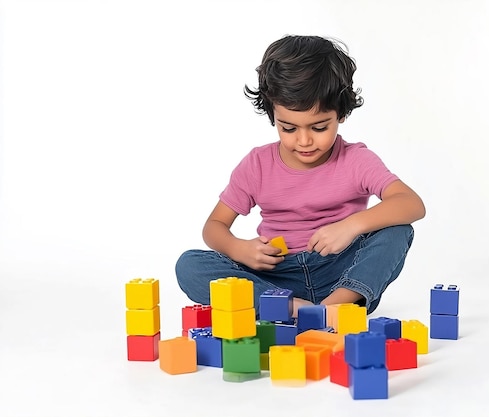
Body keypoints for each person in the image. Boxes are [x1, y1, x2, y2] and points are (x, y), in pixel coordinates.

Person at [175, 35, 425, 316]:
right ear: (272, 114)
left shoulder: (356, 160)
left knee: (398, 230)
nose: (304, 141)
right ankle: (289, 308)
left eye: (319, 128)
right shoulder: (257, 164)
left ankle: (338, 305)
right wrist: (237, 248)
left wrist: (351, 226)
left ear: (341, 113)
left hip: (339, 272)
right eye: (289, 128)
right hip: (274, 278)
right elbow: (214, 225)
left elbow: (411, 204)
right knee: (190, 265)